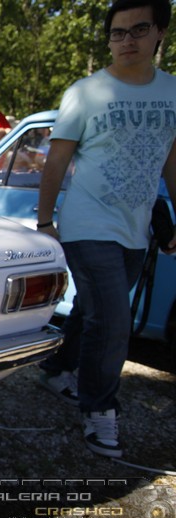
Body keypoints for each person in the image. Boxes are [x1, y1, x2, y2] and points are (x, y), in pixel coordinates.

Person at [36, 0, 176, 458]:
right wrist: (45, 221)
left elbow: (171, 159)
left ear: (160, 32)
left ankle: (58, 368)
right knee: (114, 321)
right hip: (87, 223)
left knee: (94, 311)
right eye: (118, 32)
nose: (127, 40)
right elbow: (56, 160)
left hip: (136, 229)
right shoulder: (86, 92)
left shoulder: (172, 91)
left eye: (138, 30)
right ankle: (100, 410)